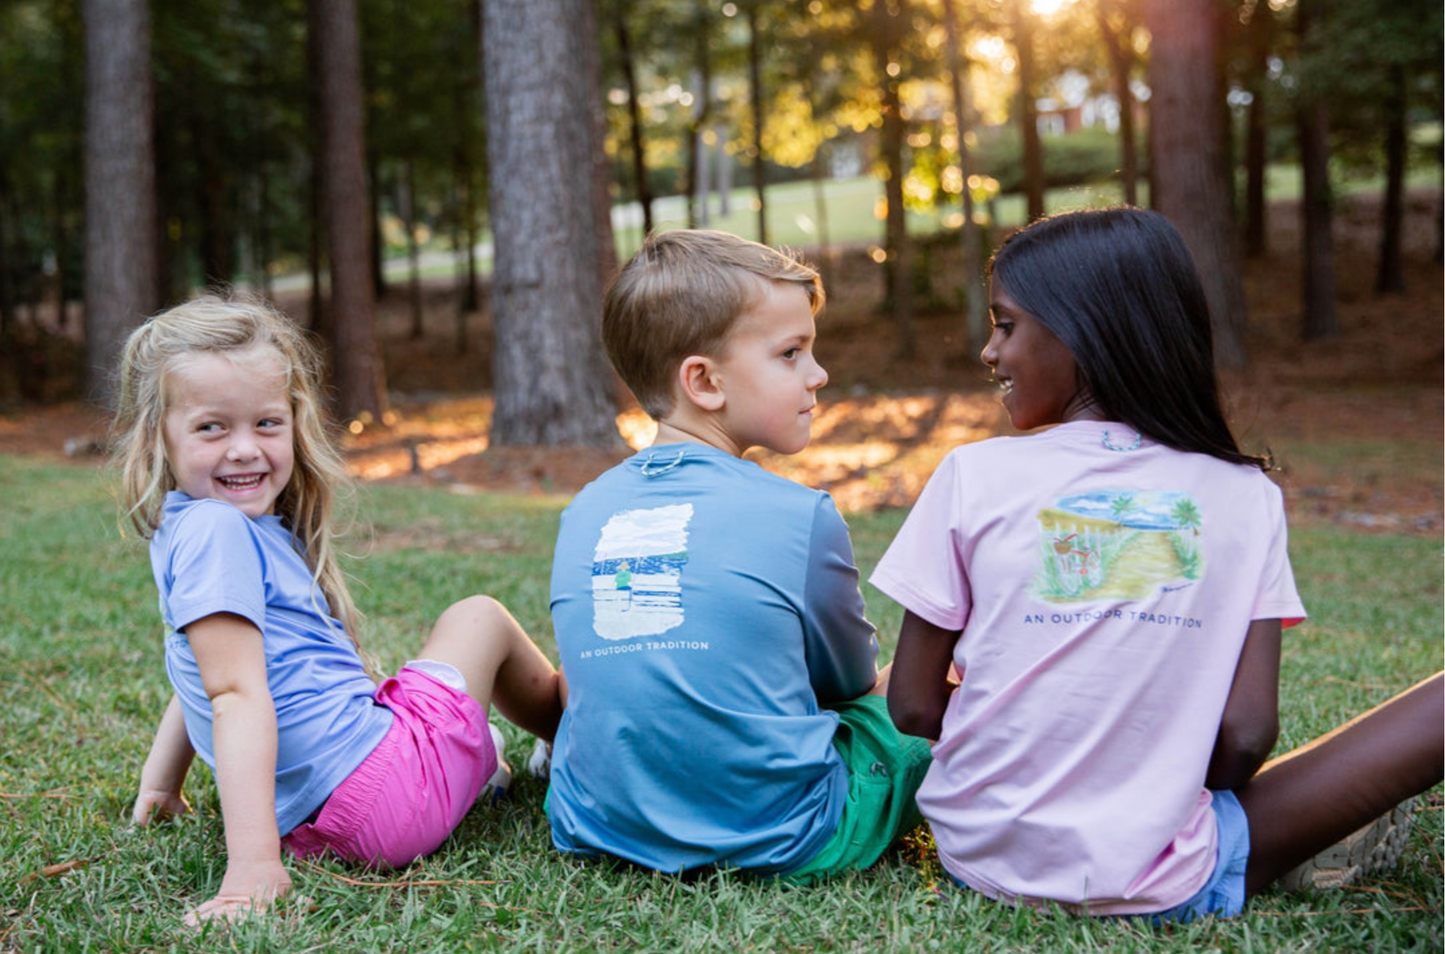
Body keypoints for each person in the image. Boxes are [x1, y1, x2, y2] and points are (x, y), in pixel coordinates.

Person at [873, 206, 1444, 920]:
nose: (989, 352)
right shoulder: (1245, 495)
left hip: (980, 860)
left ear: (1082, 329)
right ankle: (1315, 845)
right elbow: (1244, 737)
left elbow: (913, 706)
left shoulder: (971, 474)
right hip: (1167, 877)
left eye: (1005, 325)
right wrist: (1139, 780)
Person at [112, 294, 564, 924]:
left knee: (471, 732)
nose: (244, 449)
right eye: (212, 427)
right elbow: (233, 695)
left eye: (267, 424)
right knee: (479, 616)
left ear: (295, 423)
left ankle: (477, 765)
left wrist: (160, 788)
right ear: (158, 433)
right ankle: (574, 744)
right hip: (377, 796)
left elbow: (196, 668)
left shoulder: (191, 525)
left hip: (318, 824)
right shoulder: (218, 531)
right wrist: (251, 871)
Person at [545, 229, 931, 880]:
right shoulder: (800, 513)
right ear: (703, 380)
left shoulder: (583, 508)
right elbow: (848, 688)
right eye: (790, 354)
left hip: (599, 822)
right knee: (920, 690)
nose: (819, 374)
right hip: (789, 833)